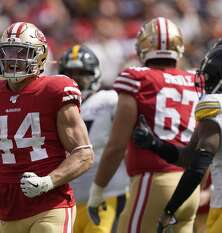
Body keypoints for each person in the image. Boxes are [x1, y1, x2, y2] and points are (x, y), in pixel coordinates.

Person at [0, 22, 94, 233]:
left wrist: (48, 181)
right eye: (7, 52)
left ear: (40, 56)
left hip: (51, 204)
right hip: (10, 210)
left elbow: (84, 154)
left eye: (21, 52)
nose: (12, 59)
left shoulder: (54, 90)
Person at [87, 17, 201, 233]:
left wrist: (98, 188)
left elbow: (116, 145)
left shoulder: (137, 78)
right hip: (190, 185)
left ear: (143, 47)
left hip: (155, 181)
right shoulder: (193, 80)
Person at [132, 40, 222, 233]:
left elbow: (197, 167)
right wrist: (154, 143)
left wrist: (170, 210)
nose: (204, 84)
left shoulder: (215, 106)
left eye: (209, 78)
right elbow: (187, 157)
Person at [58, 44, 129, 233]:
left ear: (96, 73)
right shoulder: (56, 108)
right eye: (70, 74)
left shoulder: (108, 100)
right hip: (68, 202)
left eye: (82, 73)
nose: (76, 80)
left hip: (107, 196)